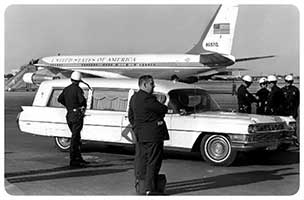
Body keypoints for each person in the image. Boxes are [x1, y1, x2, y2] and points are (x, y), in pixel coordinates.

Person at [128, 75, 169, 195]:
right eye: (151, 84)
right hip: (153, 135)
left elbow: (131, 115)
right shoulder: (148, 99)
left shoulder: (134, 97)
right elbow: (162, 109)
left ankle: (142, 184)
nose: (153, 86)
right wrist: (161, 102)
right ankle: (149, 188)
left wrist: (137, 128)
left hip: (141, 135)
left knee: (141, 160)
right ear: (144, 84)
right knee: (153, 161)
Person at [58, 71, 89, 168]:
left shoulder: (66, 89)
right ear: (79, 80)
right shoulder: (78, 90)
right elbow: (82, 101)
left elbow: (60, 99)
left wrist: (68, 106)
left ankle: (78, 158)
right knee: (75, 138)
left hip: (69, 115)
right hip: (76, 116)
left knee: (76, 137)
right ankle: (74, 160)